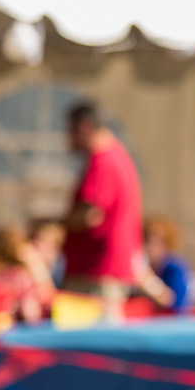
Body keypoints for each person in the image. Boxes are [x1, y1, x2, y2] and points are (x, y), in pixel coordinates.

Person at [60, 102, 143, 321]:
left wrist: (50, 222)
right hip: (102, 273)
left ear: (85, 127)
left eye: (70, 131)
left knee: (89, 347)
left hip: (96, 274)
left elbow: (89, 215)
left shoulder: (103, 160)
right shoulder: (116, 156)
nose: (68, 139)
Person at [0, 226, 47, 326]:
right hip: (6, 333)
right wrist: (38, 268)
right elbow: (31, 316)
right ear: (18, 251)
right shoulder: (18, 276)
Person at [142, 215, 193, 313]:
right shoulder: (147, 265)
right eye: (146, 241)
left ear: (167, 244)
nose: (149, 247)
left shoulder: (175, 267)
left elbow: (174, 302)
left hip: (171, 323)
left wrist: (146, 281)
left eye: (155, 242)